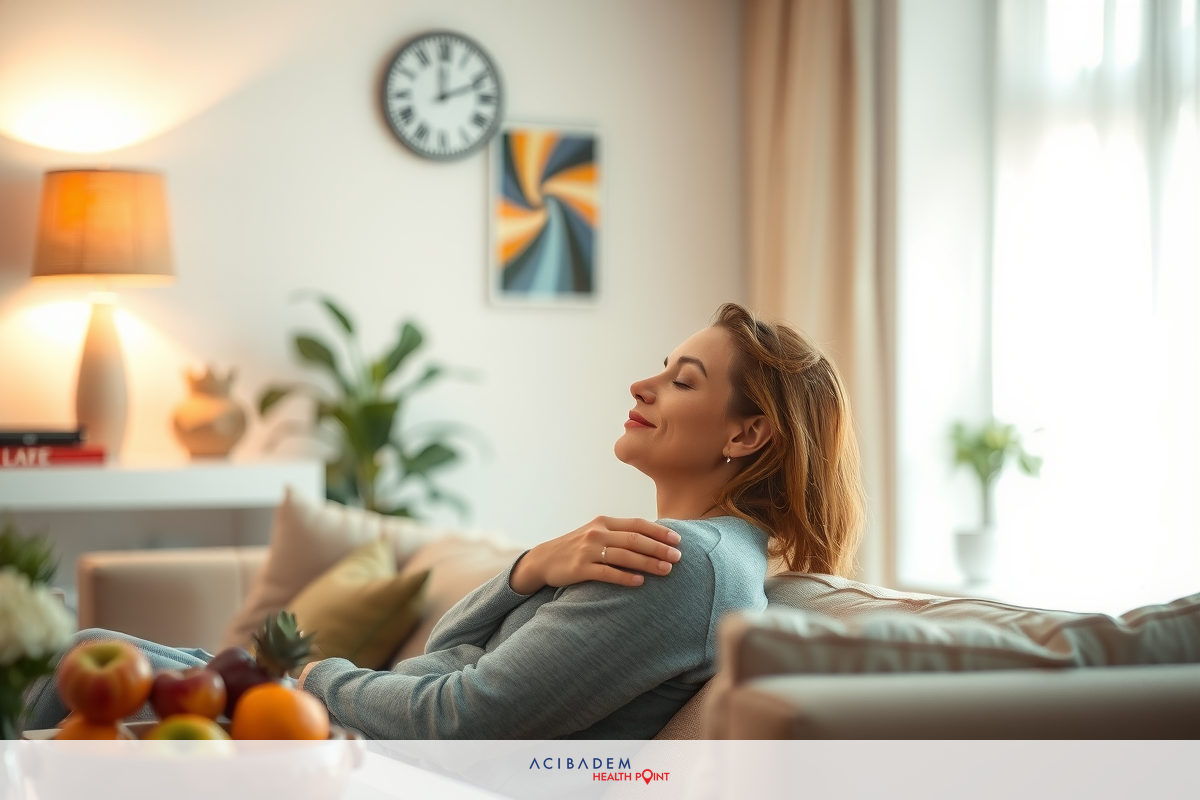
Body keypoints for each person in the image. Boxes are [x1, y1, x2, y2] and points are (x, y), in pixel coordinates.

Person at [24, 302, 866, 739]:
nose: (643, 386)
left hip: (382, 758)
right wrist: (527, 567)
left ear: (747, 433)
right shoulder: (656, 552)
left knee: (66, 673)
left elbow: (459, 720)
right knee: (82, 658)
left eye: (682, 381)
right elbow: (448, 660)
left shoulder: (682, 563)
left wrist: (310, 679)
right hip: (368, 730)